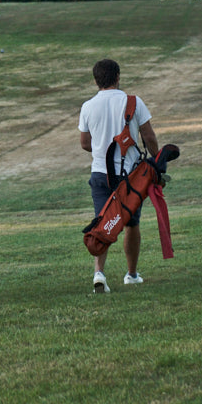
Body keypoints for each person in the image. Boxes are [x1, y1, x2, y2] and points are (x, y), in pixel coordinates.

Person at [78, 59, 159, 293]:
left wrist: (103, 148)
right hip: (129, 177)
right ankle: (131, 274)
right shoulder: (133, 102)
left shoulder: (88, 106)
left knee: (102, 222)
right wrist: (156, 162)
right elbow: (149, 137)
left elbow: (85, 143)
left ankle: (99, 274)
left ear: (96, 80)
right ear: (118, 77)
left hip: (100, 173)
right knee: (131, 223)